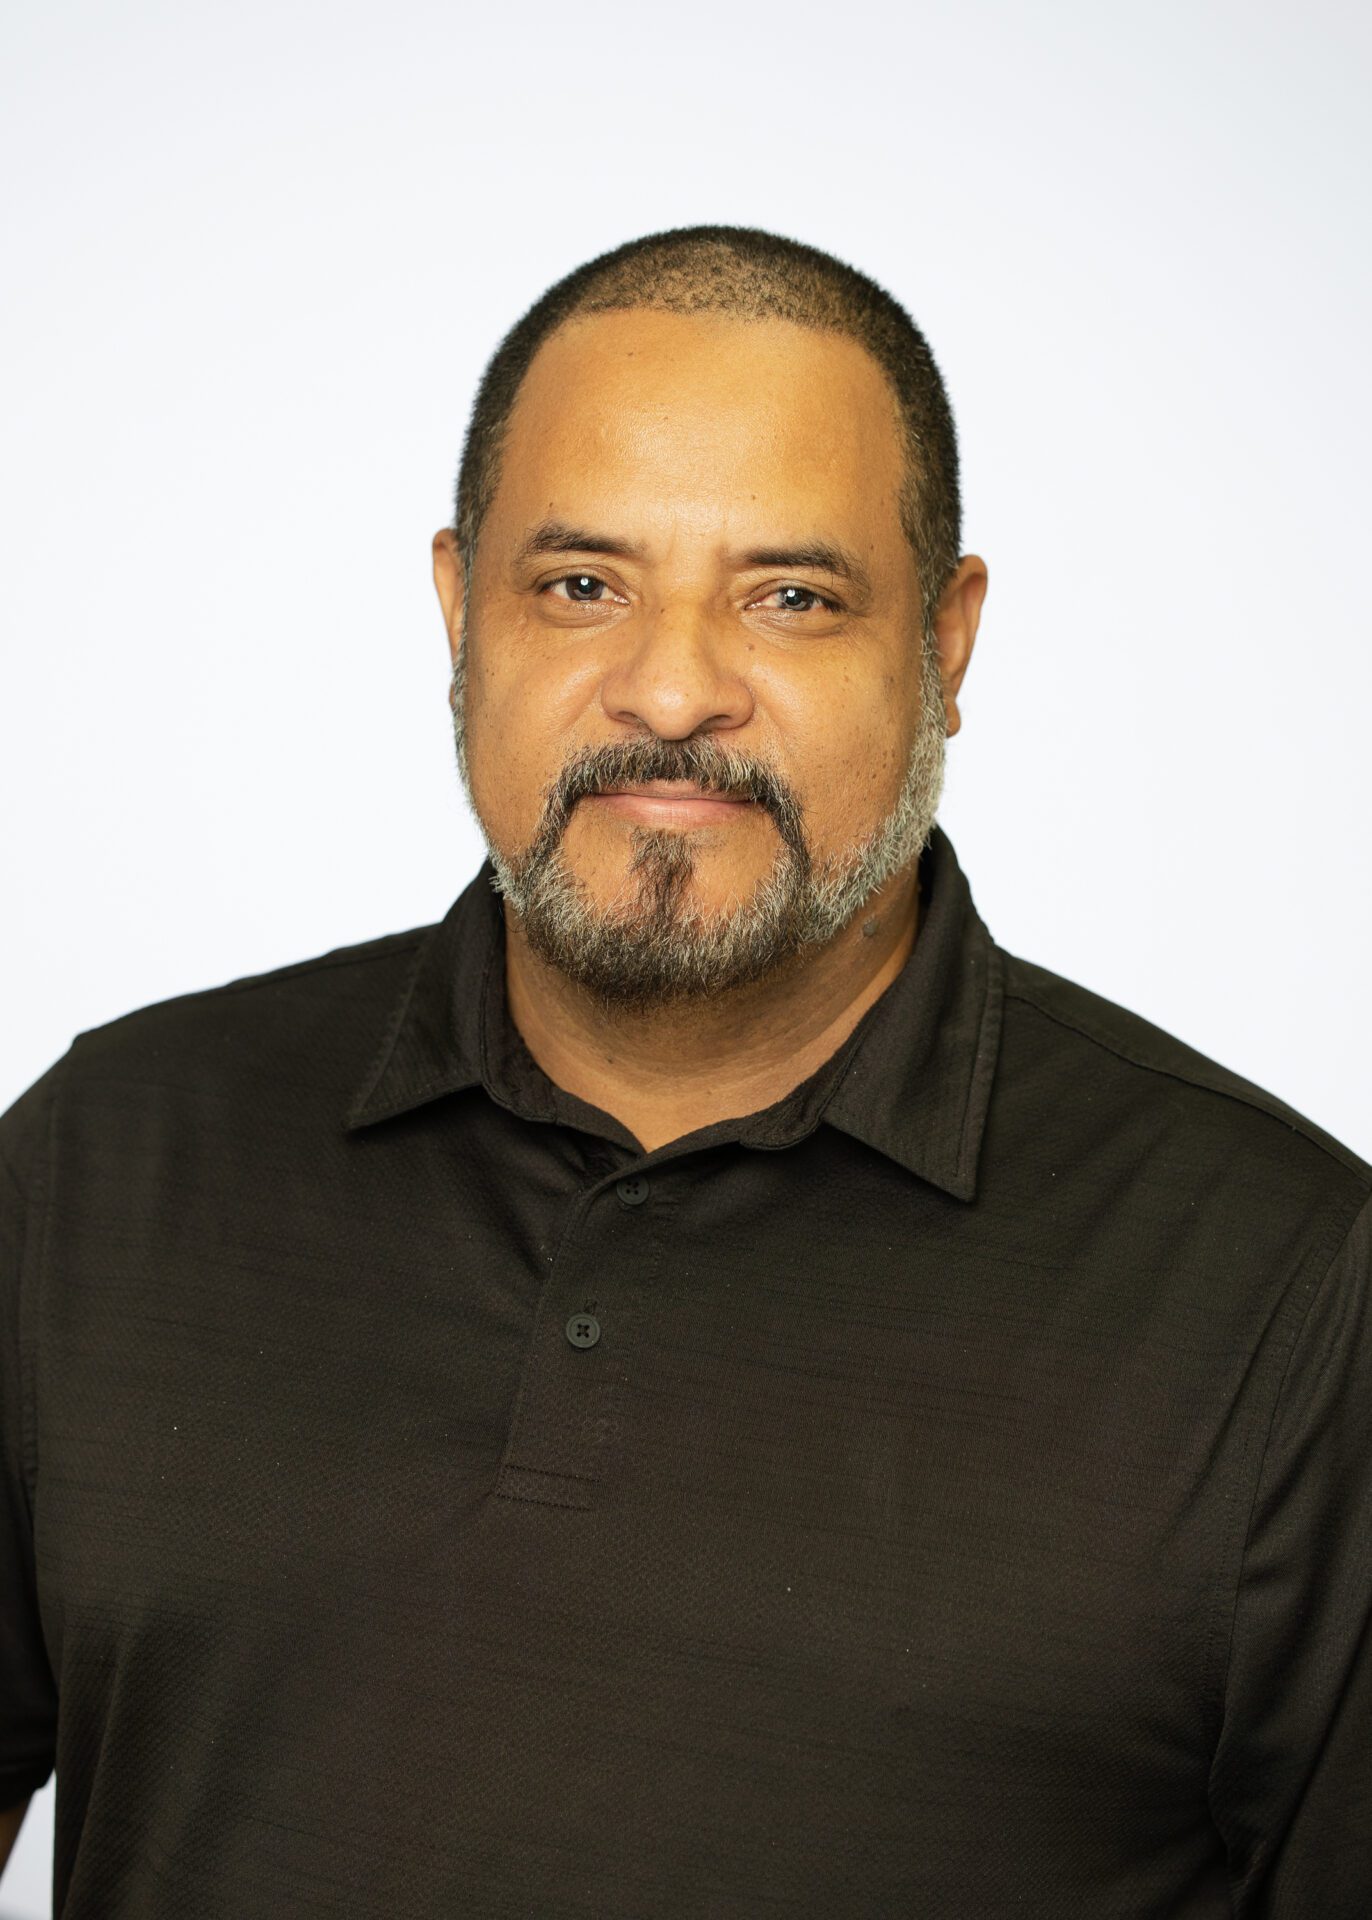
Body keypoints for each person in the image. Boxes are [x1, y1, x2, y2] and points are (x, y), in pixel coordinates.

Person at [1, 225, 1368, 1918]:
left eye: (791, 598)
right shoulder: (106, 1160)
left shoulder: (1296, 1293)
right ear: (460, 611)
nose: (670, 690)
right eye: (583, 585)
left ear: (946, 646)